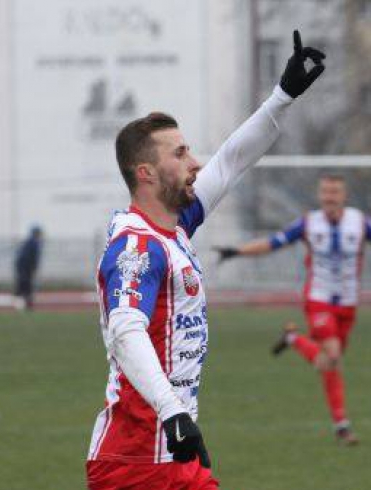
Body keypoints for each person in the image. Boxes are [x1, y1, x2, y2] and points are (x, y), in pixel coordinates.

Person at [86, 31, 325, 489]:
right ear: (146, 173)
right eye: (180, 154)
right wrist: (174, 411)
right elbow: (126, 329)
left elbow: (231, 162)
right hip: (134, 463)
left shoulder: (175, 227)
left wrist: (282, 97)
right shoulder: (138, 246)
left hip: (175, 451)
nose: (195, 162)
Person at [216, 175, 371, 445]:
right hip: (318, 299)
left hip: (348, 304)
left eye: (335, 193)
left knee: (326, 363)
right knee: (332, 355)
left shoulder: (360, 223)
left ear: (344, 196)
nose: (330, 198)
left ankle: (294, 339)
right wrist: (236, 251)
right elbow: (272, 243)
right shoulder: (308, 223)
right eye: (325, 193)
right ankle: (342, 425)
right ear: (320, 196)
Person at [14, 226, 43, 312]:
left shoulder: (28, 242)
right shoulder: (34, 243)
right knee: (26, 285)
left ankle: (24, 304)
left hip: (23, 267)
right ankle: (26, 304)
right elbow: (34, 258)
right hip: (26, 268)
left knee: (23, 285)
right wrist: (34, 268)